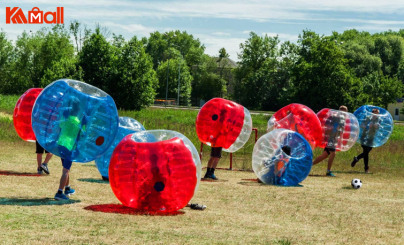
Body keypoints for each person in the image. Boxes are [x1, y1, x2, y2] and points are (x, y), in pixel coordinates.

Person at [312, 105, 348, 177]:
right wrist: (326, 136)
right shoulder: (334, 117)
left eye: (345, 112)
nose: (344, 113)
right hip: (330, 138)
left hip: (335, 139)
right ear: (339, 111)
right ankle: (328, 171)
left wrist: (340, 139)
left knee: (324, 155)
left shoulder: (343, 120)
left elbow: (341, 131)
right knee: (333, 153)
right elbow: (327, 126)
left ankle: (308, 165)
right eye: (342, 111)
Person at [351, 108, 380, 173]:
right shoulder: (367, 118)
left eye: (376, 113)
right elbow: (361, 125)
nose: (375, 114)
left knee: (367, 152)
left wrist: (376, 126)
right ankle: (366, 168)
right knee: (366, 152)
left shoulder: (378, 119)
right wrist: (367, 126)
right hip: (364, 137)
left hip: (371, 138)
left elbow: (379, 128)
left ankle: (357, 158)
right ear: (372, 113)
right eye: (374, 113)